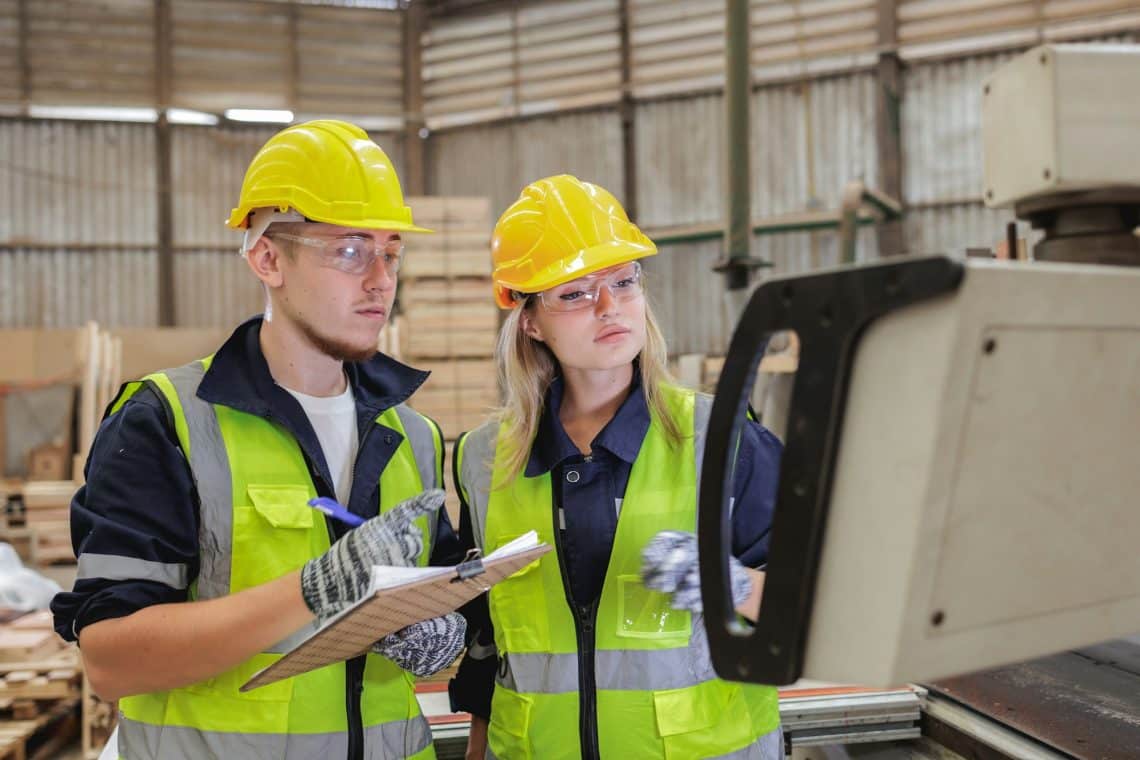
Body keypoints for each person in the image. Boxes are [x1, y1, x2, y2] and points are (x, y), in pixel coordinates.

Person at [51, 120, 467, 760]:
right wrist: (310, 593)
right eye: (351, 250)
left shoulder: (412, 435)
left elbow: (435, 606)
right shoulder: (167, 422)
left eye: (391, 251)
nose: (381, 280)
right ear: (267, 257)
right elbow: (112, 661)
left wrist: (438, 632)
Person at [448, 174, 783, 759]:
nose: (609, 307)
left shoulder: (722, 439)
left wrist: (734, 586)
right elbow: (489, 635)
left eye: (623, 282)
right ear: (530, 320)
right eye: (575, 293)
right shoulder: (484, 458)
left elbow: (819, 608)